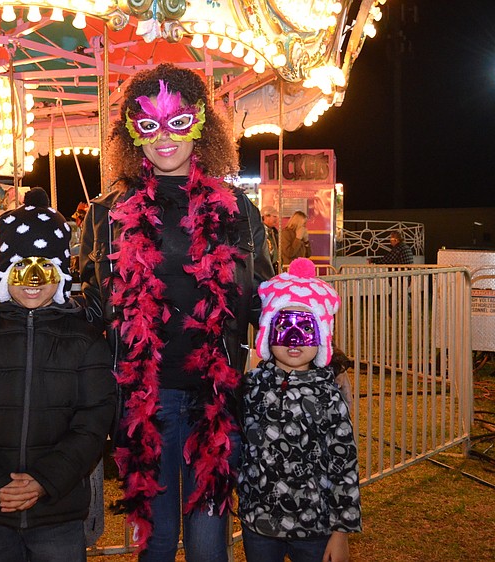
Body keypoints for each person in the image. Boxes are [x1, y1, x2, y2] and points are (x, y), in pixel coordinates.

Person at [78, 62, 274, 560]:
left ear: (202, 126)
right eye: (148, 124)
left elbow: (266, 298)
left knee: (209, 544)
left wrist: (316, 347)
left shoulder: (237, 209)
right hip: (148, 400)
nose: (164, 137)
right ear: (132, 133)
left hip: (215, 396)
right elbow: (87, 304)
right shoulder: (107, 214)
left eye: (179, 122)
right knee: (159, 541)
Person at [0, 200, 117, 561]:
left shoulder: (84, 343)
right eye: (20, 267)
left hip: (58, 509)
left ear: (60, 274)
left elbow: (93, 422)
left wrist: (45, 480)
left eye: (45, 267)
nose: (33, 280)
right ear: (4, 274)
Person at [238, 257, 361, 562]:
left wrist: (340, 532)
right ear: (268, 332)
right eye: (284, 326)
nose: (294, 339)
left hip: (315, 529)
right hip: (259, 525)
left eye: (305, 328)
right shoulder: (251, 387)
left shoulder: (329, 394)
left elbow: (344, 463)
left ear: (321, 335)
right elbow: (237, 444)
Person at [261, 205, 280, 272]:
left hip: (274, 265)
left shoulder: (274, 232)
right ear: (265, 217)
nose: (276, 219)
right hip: (264, 266)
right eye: (274, 216)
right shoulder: (259, 231)